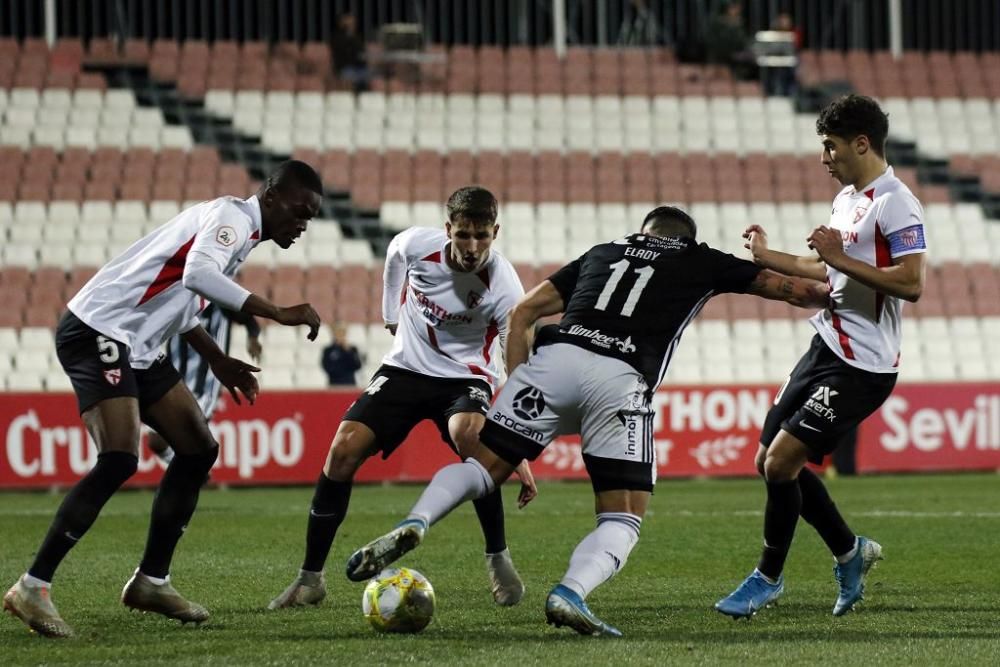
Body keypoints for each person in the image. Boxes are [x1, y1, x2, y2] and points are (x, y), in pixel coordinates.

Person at [343, 205, 831, 637]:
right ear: (686, 237)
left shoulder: (604, 251)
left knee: (481, 469)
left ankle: (417, 519)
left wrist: (518, 386)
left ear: (642, 232)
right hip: (619, 380)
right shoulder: (699, 258)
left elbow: (524, 311)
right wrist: (838, 288)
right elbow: (795, 291)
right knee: (622, 516)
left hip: (554, 362)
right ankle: (570, 592)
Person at [2, 160, 324, 638]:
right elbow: (198, 274)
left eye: (311, 218)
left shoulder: (240, 234)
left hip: (139, 345)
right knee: (118, 458)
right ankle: (32, 586)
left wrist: (217, 359)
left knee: (199, 448)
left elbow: (182, 299)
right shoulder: (233, 219)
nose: (302, 225)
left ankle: (151, 581)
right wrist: (276, 311)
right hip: (100, 328)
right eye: (300, 212)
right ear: (272, 196)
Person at [268, 186, 538, 612]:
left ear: (495, 232)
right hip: (405, 370)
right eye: (463, 235)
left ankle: (498, 559)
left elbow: (516, 360)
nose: (471, 247)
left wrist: (513, 443)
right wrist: (391, 316)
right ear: (447, 229)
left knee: (471, 439)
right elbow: (394, 258)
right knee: (340, 452)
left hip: (464, 377)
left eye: (482, 236)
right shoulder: (416, 244)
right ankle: (309, 580)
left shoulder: (502, 285)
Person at [715, 94, 927, 619]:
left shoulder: (895, 202)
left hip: (863, 366)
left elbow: (912, 282)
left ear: (862, 143)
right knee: (767, 461)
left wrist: (835, 258)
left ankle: (767, 578)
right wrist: (770, 256)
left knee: (783, 462)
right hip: (825, 346)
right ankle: (851, 552)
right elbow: (824, 267)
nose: (824, 157)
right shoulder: (848, 200)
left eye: (831, 147)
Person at [148, 304, 263, 465]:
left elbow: (248, 320)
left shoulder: (221, 302)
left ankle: (191, 475)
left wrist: (253, 337)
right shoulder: (179, 297)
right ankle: (195, 473)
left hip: (205, 385)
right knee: (156, 442)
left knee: (187, 440)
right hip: (172, 378)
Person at [330, 13, 370, 93]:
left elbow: (361, 51)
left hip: (359, 68)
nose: (351, 24)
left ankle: (364, 100)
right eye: (348, 22)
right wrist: (347, 33)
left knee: (369, 75)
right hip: (343, 68)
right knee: (350, 74)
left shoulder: (357, 37)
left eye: (353, 23)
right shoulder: (337, 37)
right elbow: (343, 51)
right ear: (341, 23)